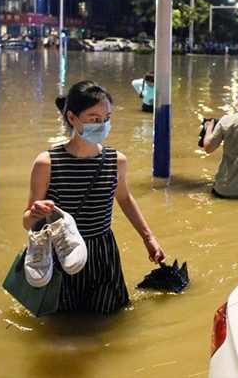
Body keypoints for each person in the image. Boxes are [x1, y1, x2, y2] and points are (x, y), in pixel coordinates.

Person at [22, 80, 166, 313]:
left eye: (107, 118)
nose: (102, 125)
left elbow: (126, 199)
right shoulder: (47, 163)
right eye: (95, 119)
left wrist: (149, 239)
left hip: (103, 255)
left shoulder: (116, 161)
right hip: (63, 255)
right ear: (72, 118)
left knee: (106, 320)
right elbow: (27, 222)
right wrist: (36, 213)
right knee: (62, 324)